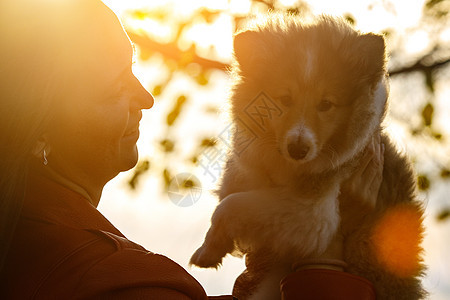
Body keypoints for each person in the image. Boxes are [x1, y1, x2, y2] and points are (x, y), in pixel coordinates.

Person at [0, 0, 382, 298]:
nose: (145, 98)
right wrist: (329, 257)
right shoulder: (117, 281)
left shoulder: (26, 242)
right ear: (36, 123)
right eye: (115, 88)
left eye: (135, 71)